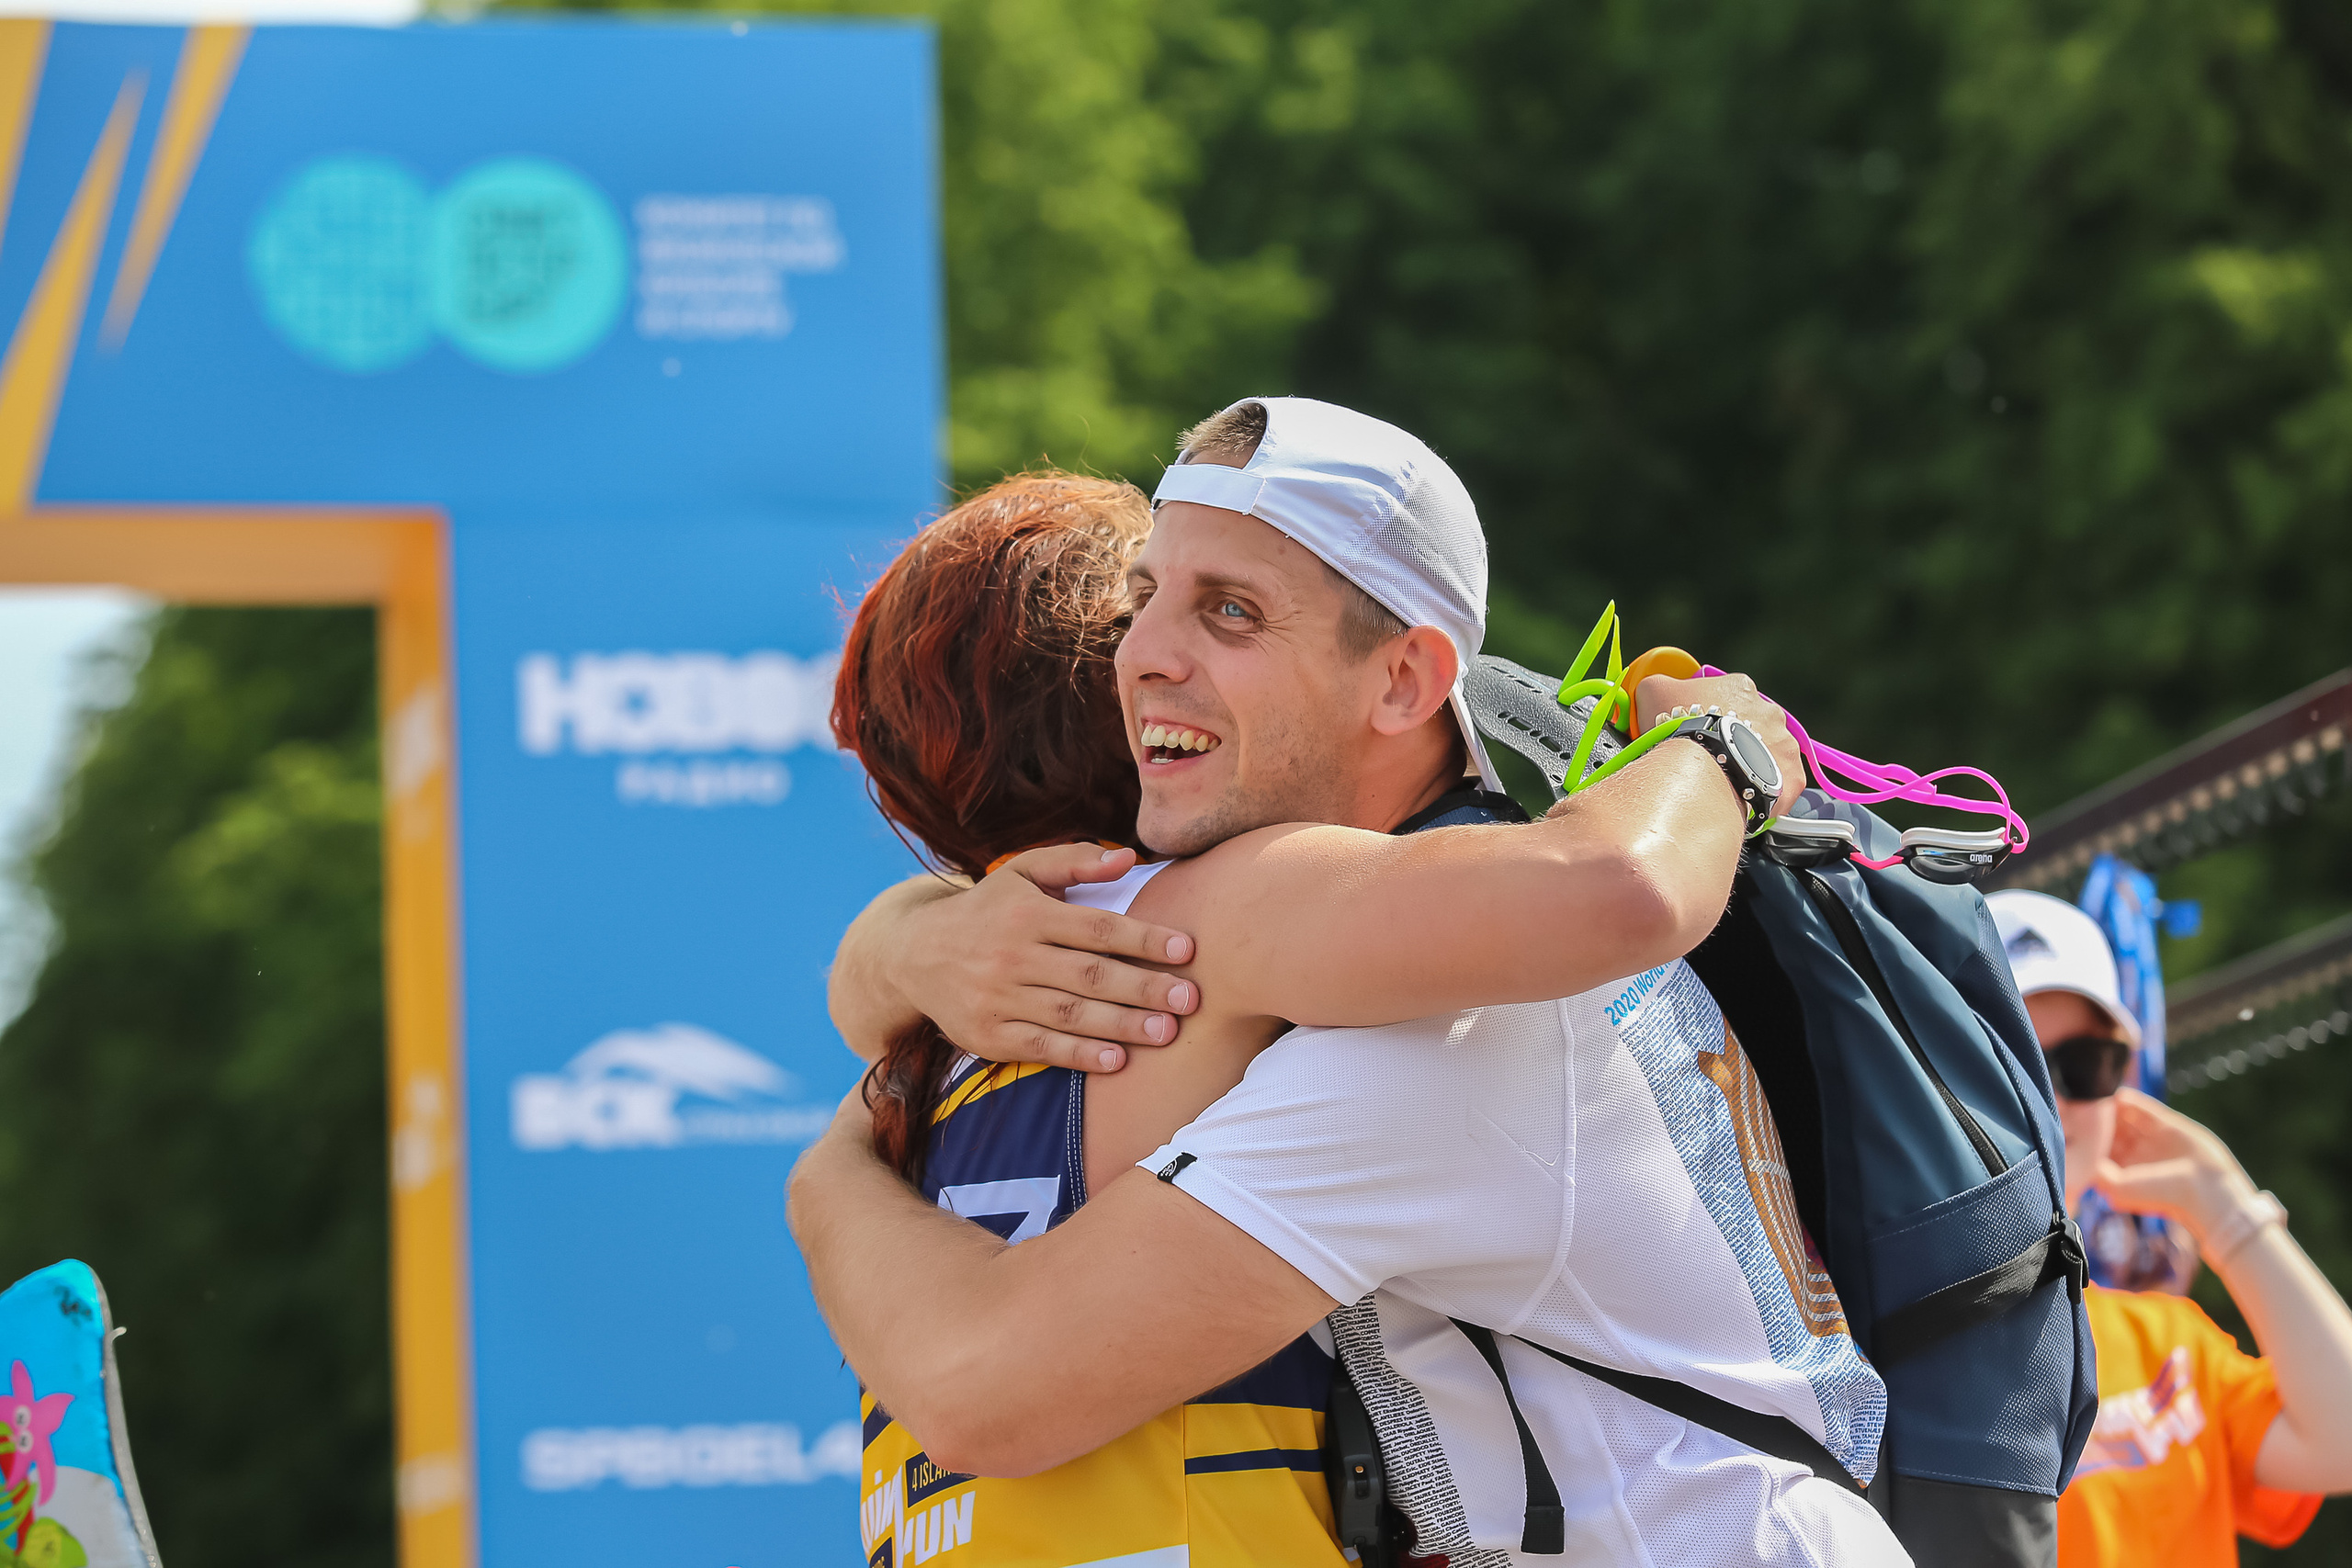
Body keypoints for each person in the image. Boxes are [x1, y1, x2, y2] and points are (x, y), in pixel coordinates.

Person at [797, 396, 1903, 1566]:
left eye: (1230, 612)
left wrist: (828, 1177)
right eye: (1140, 604)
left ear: (1402, 680)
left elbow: (987, 1389)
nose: (1142, 655)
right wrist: (907, 942)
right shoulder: (1391, 951)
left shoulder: (1441, 1024)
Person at [1988, 890, 2352, 1567]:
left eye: (2084, 1065)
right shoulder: (1872, 1339)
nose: (2054, 1103)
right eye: (2016, 1065)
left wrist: (2224, 1206)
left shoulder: (2168, 1341)